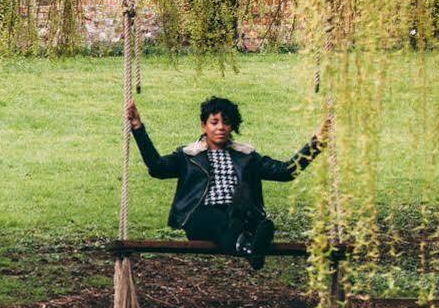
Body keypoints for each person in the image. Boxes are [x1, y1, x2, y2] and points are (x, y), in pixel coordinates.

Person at [126, 95, 325, 270]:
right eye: (214, 122)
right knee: (220, 220)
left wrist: (317, 142)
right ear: (204, 125)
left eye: (226, 122)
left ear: (232, 127)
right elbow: (158, 168)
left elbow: (286, 171)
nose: (220, 127)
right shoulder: (188, 156)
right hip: (202, 216)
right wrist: (137, 128)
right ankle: (252, 245)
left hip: (238, 210)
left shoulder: (246, 157)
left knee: (245, 207)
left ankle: (246, 241)